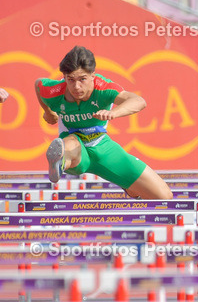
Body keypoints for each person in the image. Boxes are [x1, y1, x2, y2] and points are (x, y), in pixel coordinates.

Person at [37, 46, 173, 199]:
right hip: (76, 150)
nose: (76, 87)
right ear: (64, 77)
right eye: (71, 80)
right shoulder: (54, 90)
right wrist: (48, 112)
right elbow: (38, 85)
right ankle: (61, 163)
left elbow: (138, 101)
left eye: (82, 79)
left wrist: (114, 112)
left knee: (164, 197)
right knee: (68, 144)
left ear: (93, 76)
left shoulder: (104, 88)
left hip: (103, 147)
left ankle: (129, 187)